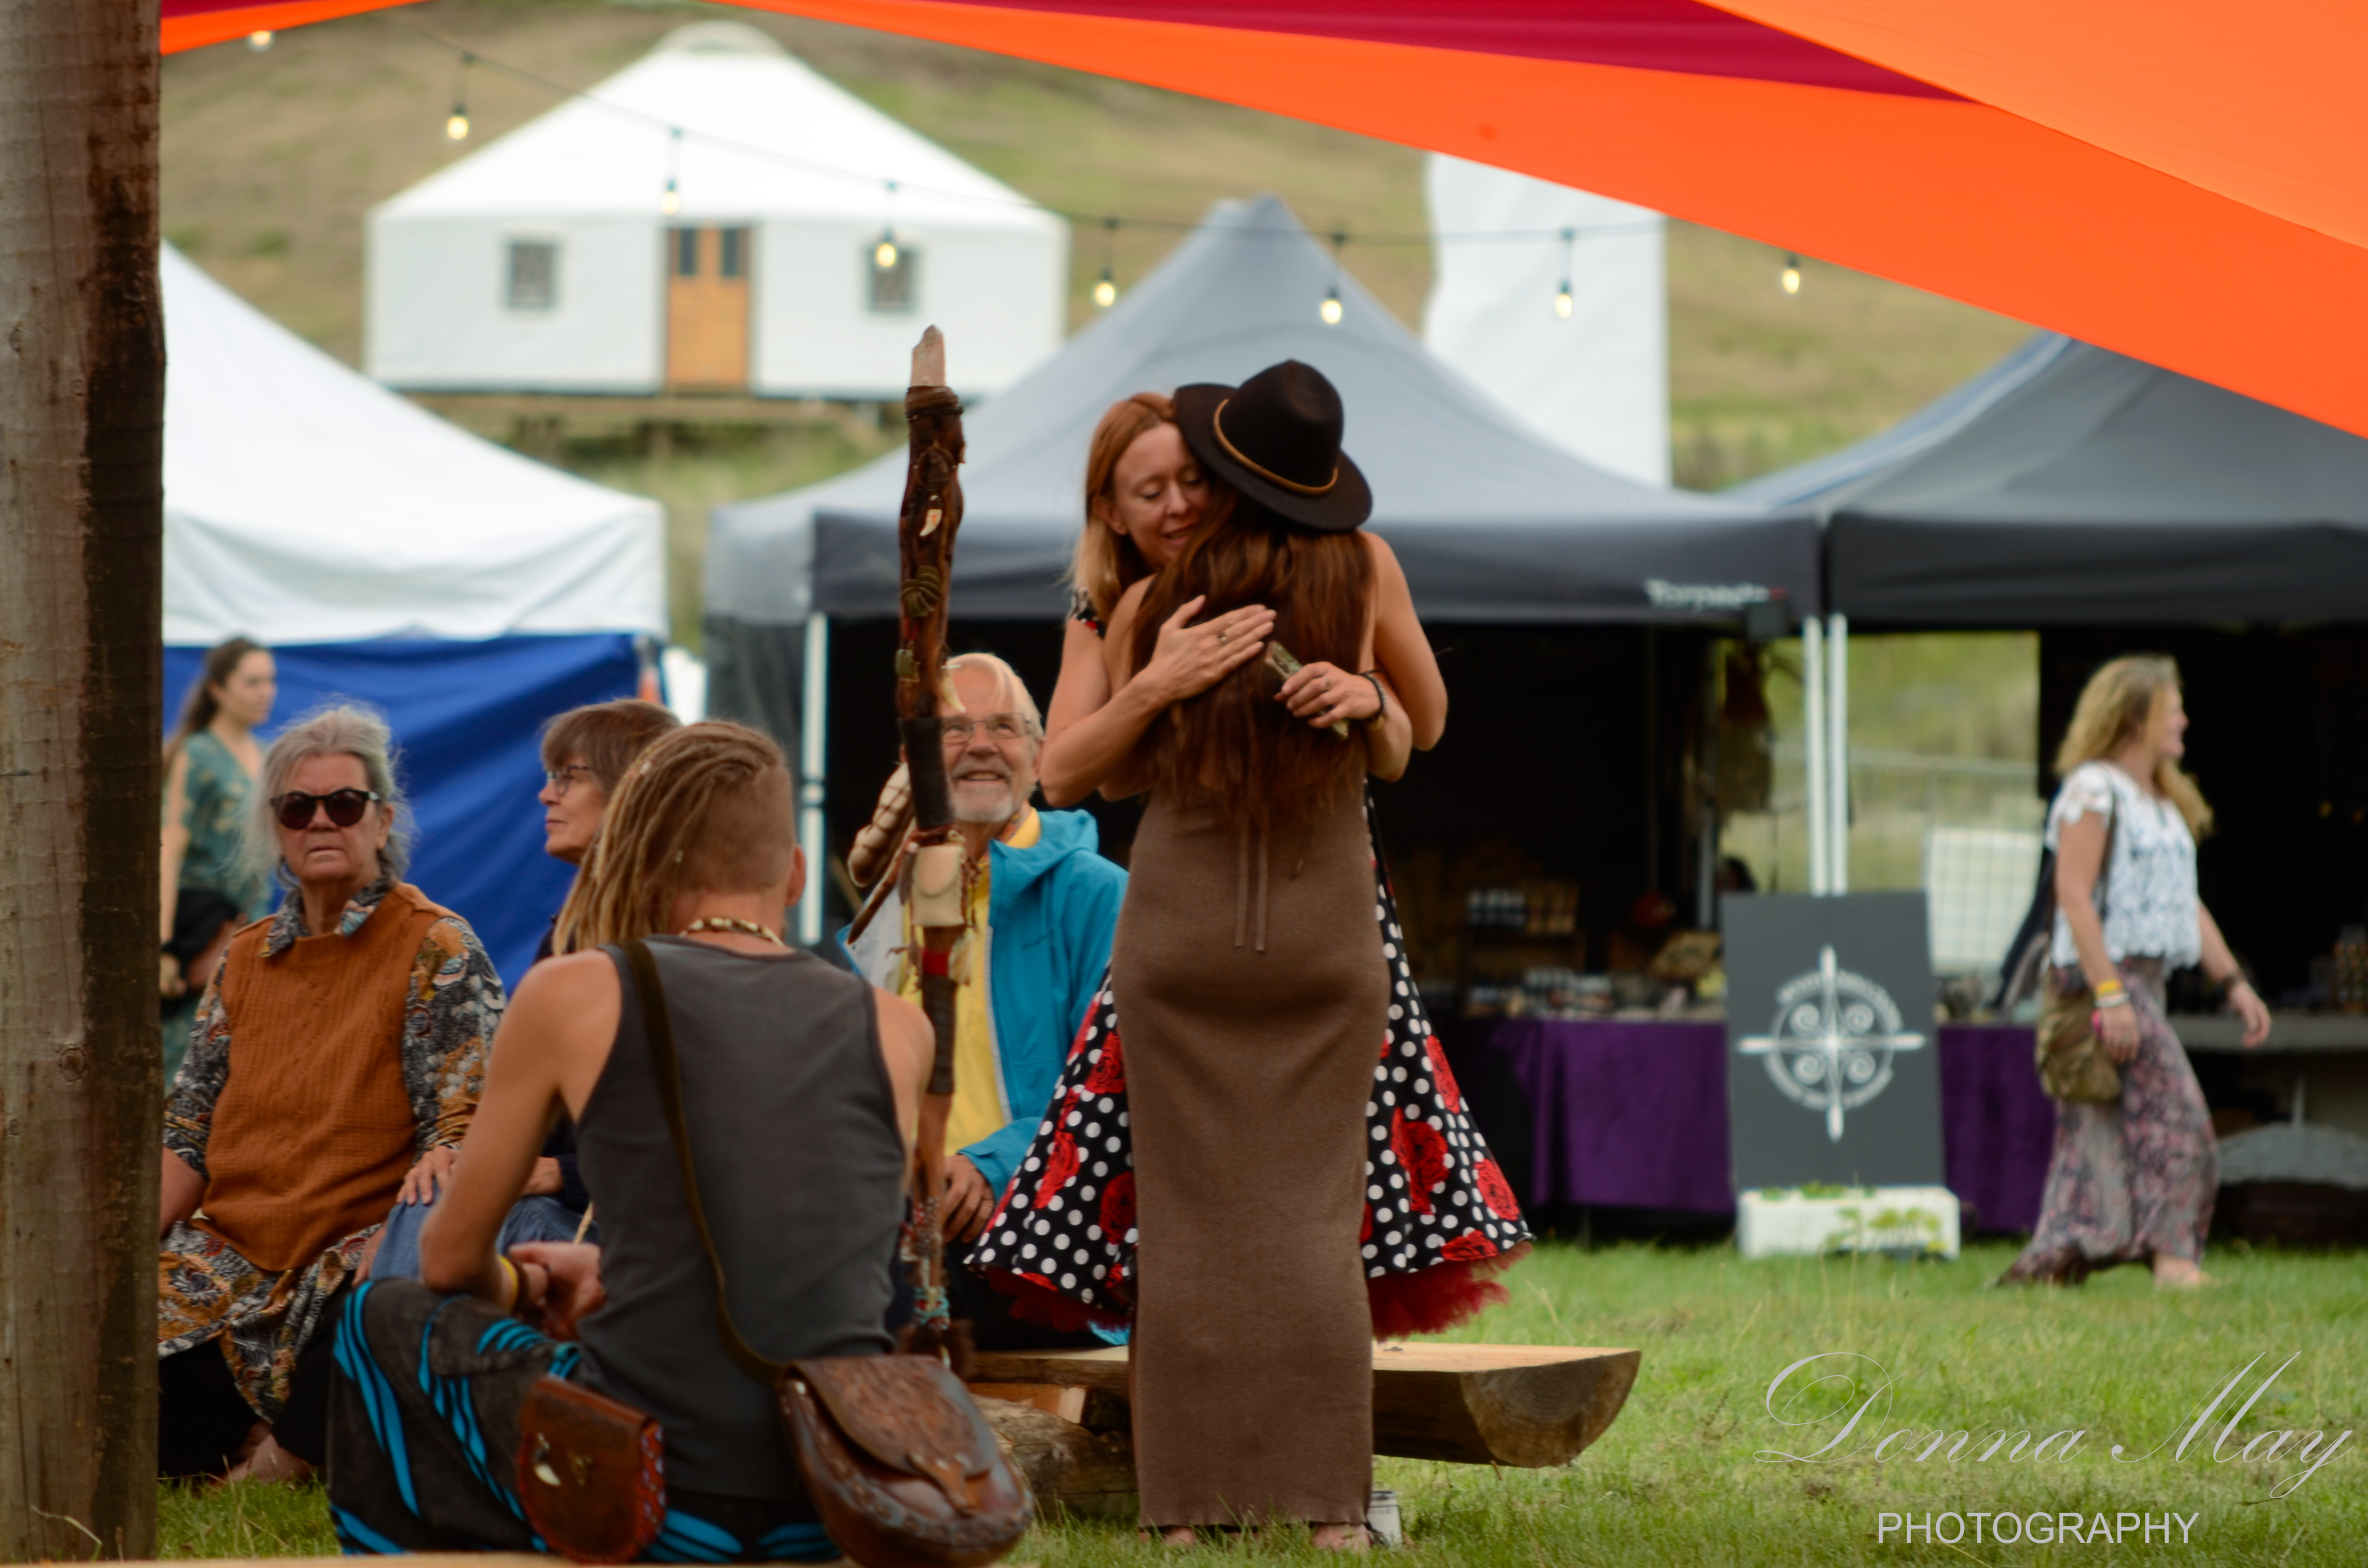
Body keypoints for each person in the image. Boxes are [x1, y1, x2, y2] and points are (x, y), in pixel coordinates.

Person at [972, 386, 1529, 1353]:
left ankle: (1304, 1404)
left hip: (1316, 898)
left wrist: (1367, 697)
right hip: (1189, 906)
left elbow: (1410, 732)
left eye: (1192, 479)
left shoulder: (1315, 570)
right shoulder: (1108, 605)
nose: (1177, 504)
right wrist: (1157, 681)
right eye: (1149, 491)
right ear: (1109, 510)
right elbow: (1064, 771)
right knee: (1175, 1174)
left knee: (1324, 1182)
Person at [327, 723, 933, 1561]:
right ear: (793, 873)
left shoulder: (577, 989)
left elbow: (449, 1259)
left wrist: (521, 1278)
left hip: (650, 1487)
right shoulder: (897, 1027)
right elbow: (834, 1258)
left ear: (646, 865)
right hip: (831, 1489)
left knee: (375, 1314)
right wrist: (615, 1278)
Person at [157, 705, 502, 1483]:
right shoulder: (244, 958)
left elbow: (466, 1125)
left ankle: (279, 1452)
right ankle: (269, 1436)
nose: (321, 820)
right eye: (297, 806)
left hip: (351, 1252)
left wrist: (407, 1229)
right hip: (229, 1255)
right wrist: (108, 1267)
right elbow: (188, 1136)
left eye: (344, 803)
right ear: (276, 828)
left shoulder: (435, 944)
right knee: (104, 1347)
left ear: (381, 820)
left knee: (375, 1314)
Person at [841, 653, 1124, 1349]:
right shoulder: (892, 903)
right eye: (953, 729)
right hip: (896, 1220)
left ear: (1036, 754)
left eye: (1004, 726)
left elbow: (1122, 1089)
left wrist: (990, 1163)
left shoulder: (1097, 892)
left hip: (1041, 1243)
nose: (980, 745)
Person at [370, 697, 684, 1284]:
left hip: (633, 1250)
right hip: (574, 1221)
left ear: (633, 790)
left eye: (570, 776)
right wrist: (459, 1154)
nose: (547, 794)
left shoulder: (675, 934)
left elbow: (690, 1139)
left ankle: (386, 1362)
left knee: (442, 1218)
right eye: (550, 776)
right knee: (432, 1192)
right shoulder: (573, 933)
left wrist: (557, 1172)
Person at [2001, 656, 2270, 1290]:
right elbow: (2073, 894)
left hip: (2141, 980)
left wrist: (2232, 982)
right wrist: (2110, 992)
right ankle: (2174, 1261)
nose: (2182, 719)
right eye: (2171, 707)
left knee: (2092, 1133)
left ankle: (2054, 1266)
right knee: (2181, 1122)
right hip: (2102, 976)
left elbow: (2184, 903)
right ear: (2134, 717)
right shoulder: (2093, 790)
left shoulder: (2165, 798)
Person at [159, 636, 278, 1082]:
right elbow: (167, 847)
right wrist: (164, 946)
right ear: (217, 690)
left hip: (255, 932)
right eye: (252, 681)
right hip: (201, 937)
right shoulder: (199, 754)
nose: (266, 691)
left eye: (270, 680)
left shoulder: (269, 758)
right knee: (184, 1067)